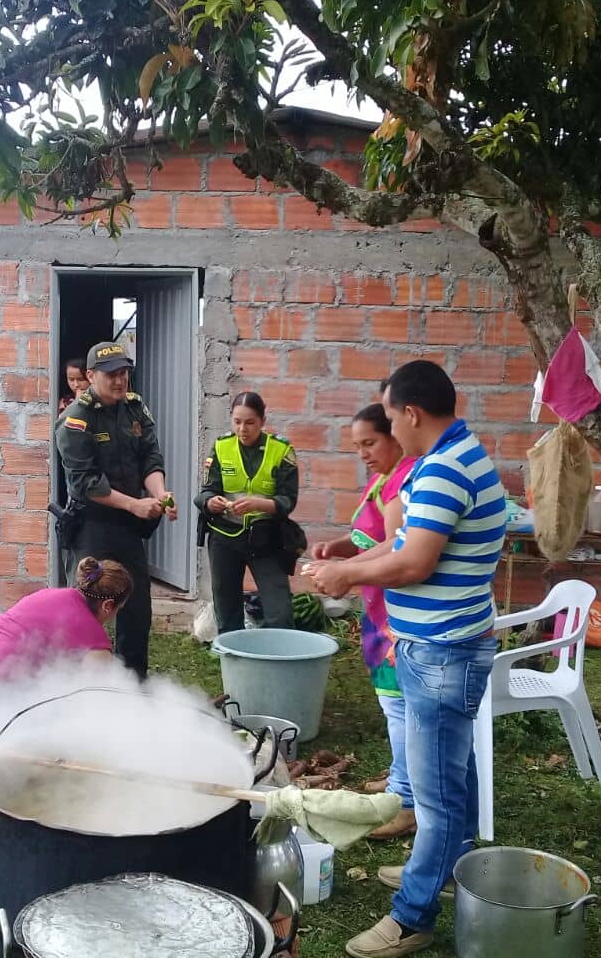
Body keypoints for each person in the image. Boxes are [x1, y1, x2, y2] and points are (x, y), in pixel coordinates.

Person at [308, 361, 506, 958]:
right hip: (447, 645)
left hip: (443, 653)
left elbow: (415, 562)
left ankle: (412, 917)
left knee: (436, 796)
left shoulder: (444, 468)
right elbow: (400, 542)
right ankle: (448, 868)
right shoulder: (455, 454)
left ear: (411, 414)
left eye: (391, 419)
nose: (390, 429)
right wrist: (348, 566)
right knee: (454, 770)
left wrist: (347, 575)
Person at [0, 557, 134, 809]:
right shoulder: (94, 637)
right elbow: (99, 701)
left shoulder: (47, 595)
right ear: (108, 605)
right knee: (53, 721)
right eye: (119, 610)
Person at [309, 402, 417, 840]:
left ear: (395, 435)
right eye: (357, 446)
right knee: (394, 703)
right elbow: (370, 538)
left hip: (396, 615)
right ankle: (400, 777)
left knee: (399, 706)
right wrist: (340, 547)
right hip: (378, 608)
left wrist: (345, 571)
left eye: (370, 443)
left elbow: (396, 545)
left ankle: (405, 803)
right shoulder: (382, 479)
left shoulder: (403, 482)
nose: (363, 454)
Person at [54, 342, 176, 679]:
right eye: (111, 374)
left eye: (124, 373)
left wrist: (160, 494)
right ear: (91, 376)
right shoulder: (75, 419)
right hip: (91, 526)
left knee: (136, 608)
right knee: (84, 606)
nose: (120, 380)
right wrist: (136, 504)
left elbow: (150, 457)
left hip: (127, 526)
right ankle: (76, 684)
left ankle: (132, 684)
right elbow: (85, 482)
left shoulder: (135, 408)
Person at [195, 392, 299, 632]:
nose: (243, 429)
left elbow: (288, 500)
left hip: (266, 539)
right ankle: (231, 651)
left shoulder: (281, 450)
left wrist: (259, 504)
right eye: (237, 421)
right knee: (227, 609)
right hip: (225, 537)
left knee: (280, 611)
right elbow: (207, 490)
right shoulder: (221, 446)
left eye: (250, 422)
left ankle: (279, 651)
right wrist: (211, 502)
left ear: (263, 421)